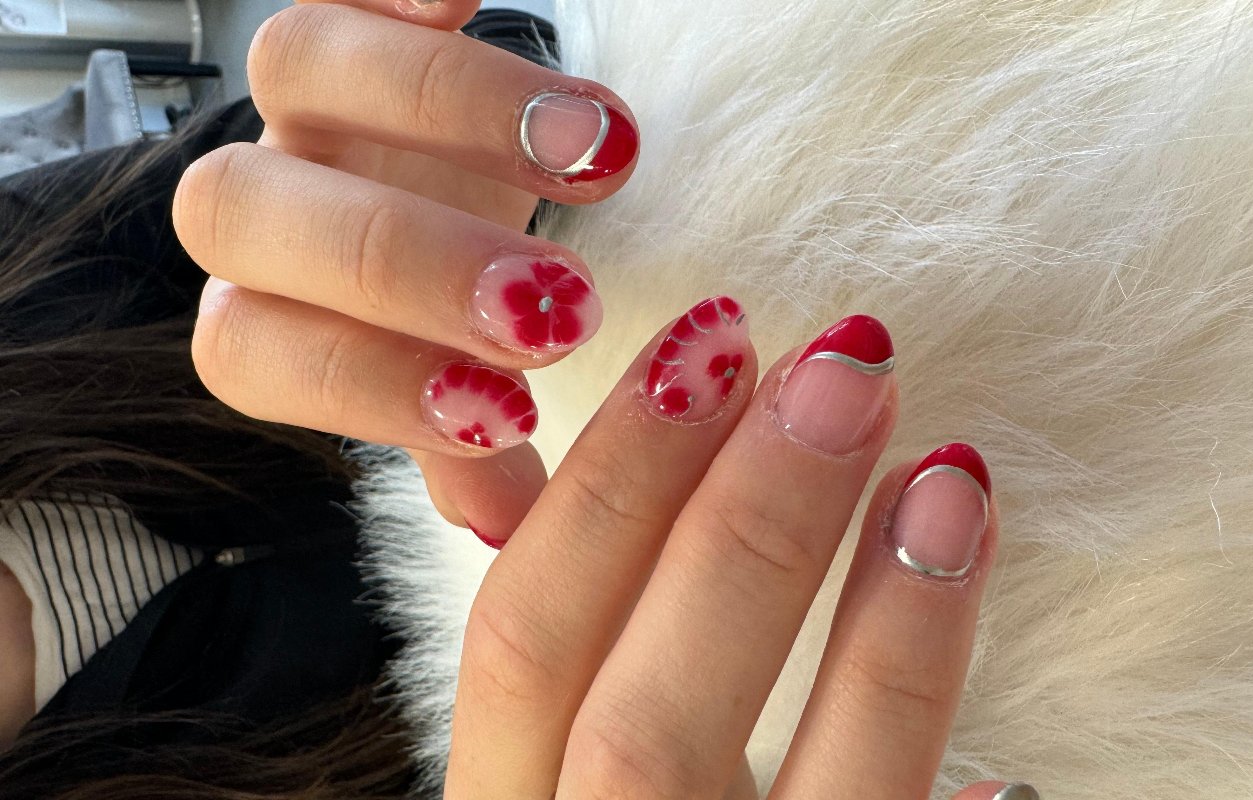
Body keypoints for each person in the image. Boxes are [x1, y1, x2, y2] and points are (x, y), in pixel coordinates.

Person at [0, 0, 1046, 798]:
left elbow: (493, 86)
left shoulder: (17, 288)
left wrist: (471, 161)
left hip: (945, 214)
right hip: (1022, 662)